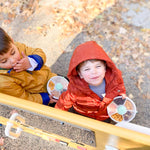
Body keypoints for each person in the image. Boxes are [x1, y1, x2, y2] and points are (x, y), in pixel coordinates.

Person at [55, 41, 126, 122]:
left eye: (98, 66)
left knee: (104, 125)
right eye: (87, 69)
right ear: (80, 74)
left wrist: (121, 93)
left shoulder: (115, 78)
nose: (94, 72)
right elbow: (64, 102)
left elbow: (119, 86)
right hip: (84, 114)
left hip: (105, 114)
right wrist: (58, 117)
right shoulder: (75, 90)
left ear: (105, 68)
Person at [0, 27, 57, 105]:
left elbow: (38, 52)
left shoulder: (17, 46)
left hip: (51, 77)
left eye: (13, 52)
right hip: (42, 96)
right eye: (4, 61)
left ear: (12, 41)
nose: (13, 60)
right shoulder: (3, 82)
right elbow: (24, 99)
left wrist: (31, 62)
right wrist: (45, 99)